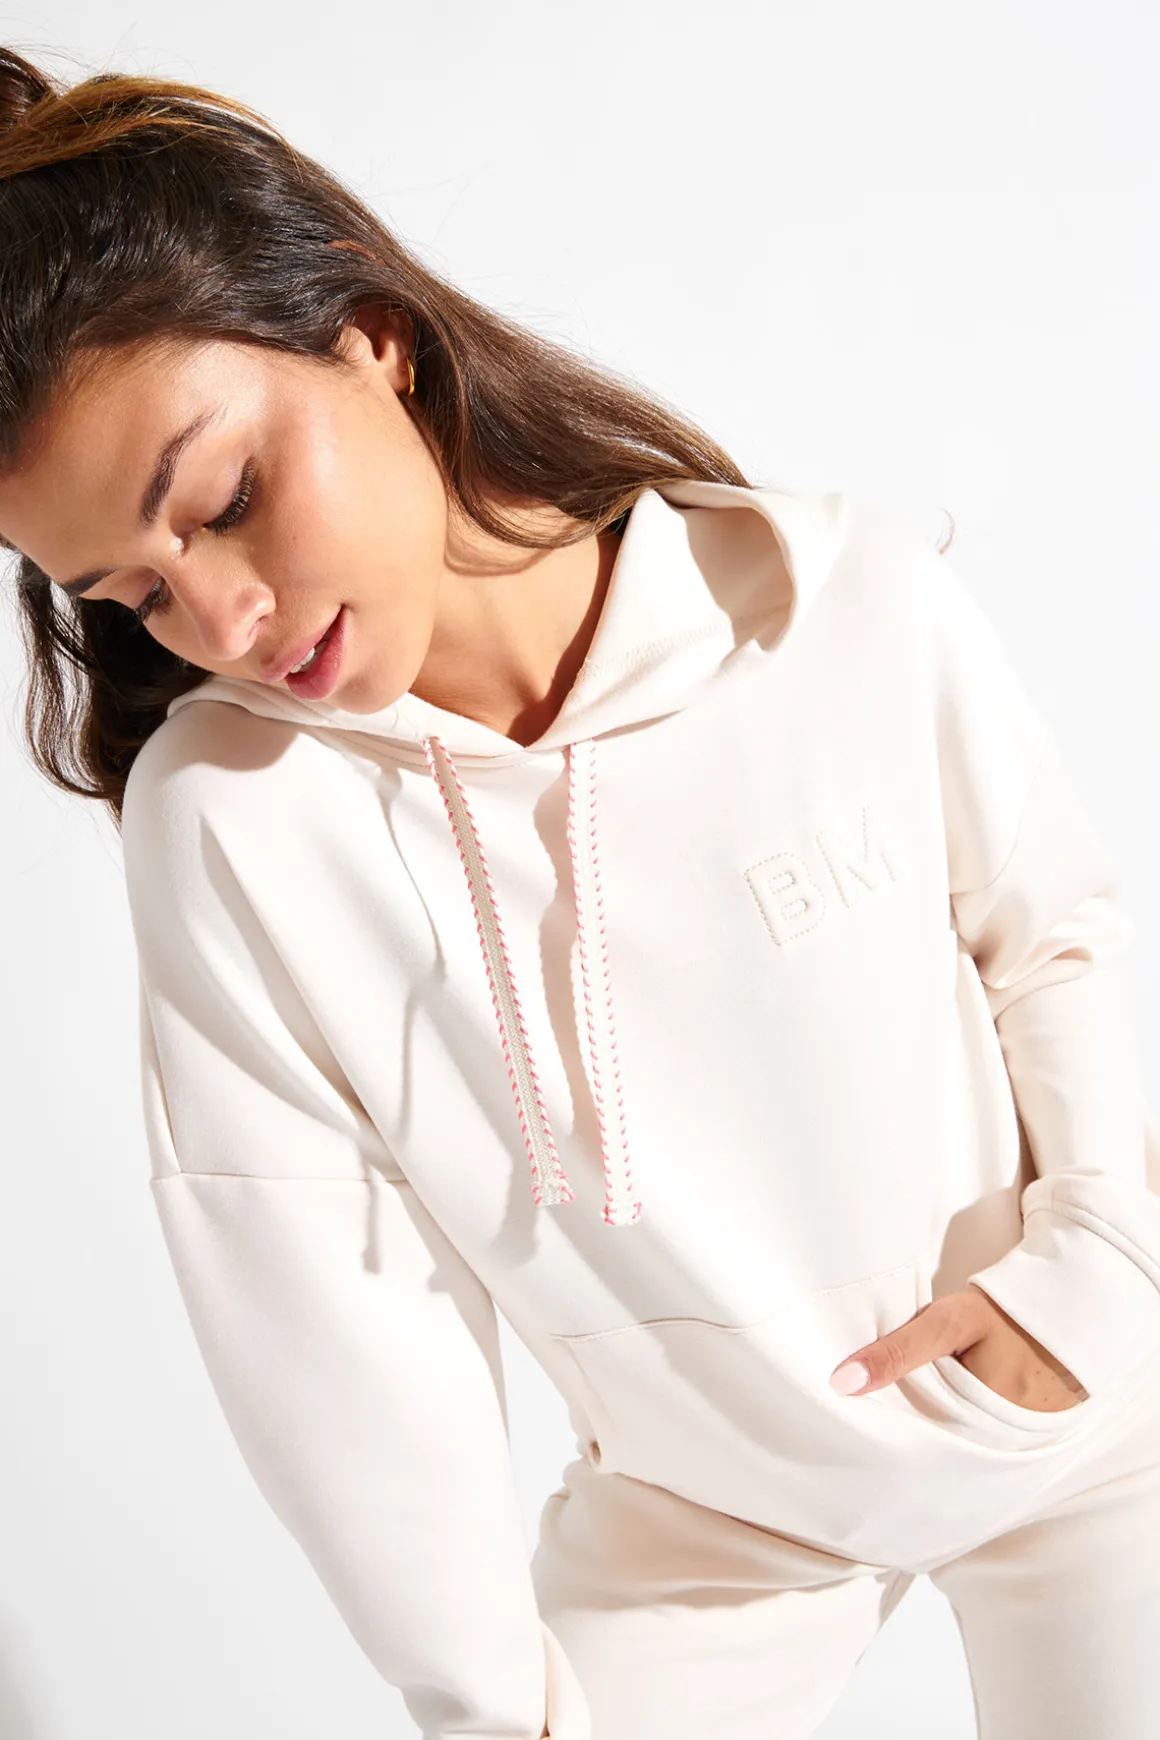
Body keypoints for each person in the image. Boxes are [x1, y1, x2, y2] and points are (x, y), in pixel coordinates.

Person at [3, 44, 1160, 1740]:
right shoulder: (234, 823)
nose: (225, 620)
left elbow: (1052, 939)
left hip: (1079, 1422)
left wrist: (1100, 1276)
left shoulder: (829, 602)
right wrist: (501, 1708)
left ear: (371, 339)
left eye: (229, 500)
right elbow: (327, 1317)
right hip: (708, 1532)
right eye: (136, 595)